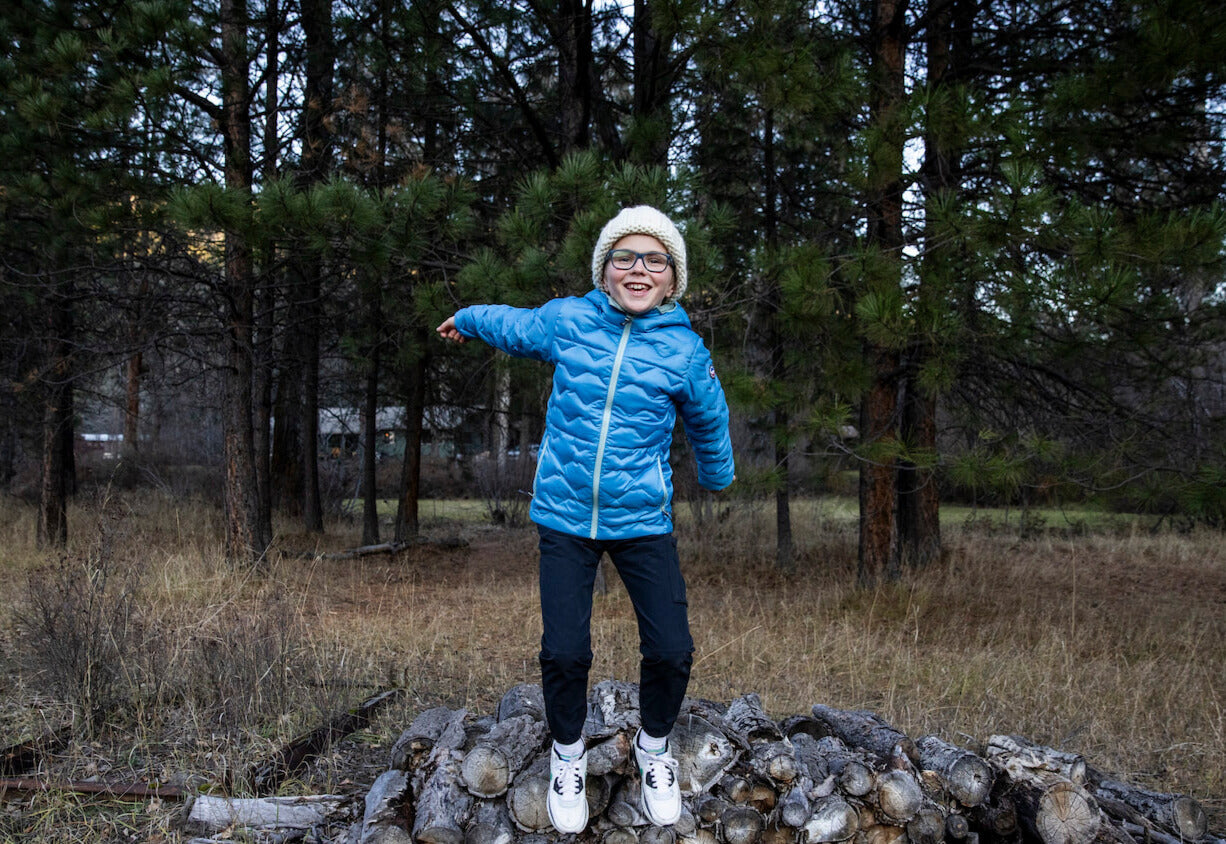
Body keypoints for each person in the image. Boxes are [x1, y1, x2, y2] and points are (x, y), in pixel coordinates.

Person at [437, 205, 735, 834]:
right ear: (604, 271)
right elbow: (515, 326)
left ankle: (654, 746)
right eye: (624, 256)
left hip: (642, 520)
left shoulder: (683, 350)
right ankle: (567, 756)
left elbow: (709, 417)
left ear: (671, 278)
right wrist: (467, 318)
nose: (638, 268)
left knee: (672, 649)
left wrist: (717, 477)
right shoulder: (571, 321)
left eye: (654, 259)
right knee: (566, 651)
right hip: (565, 517)